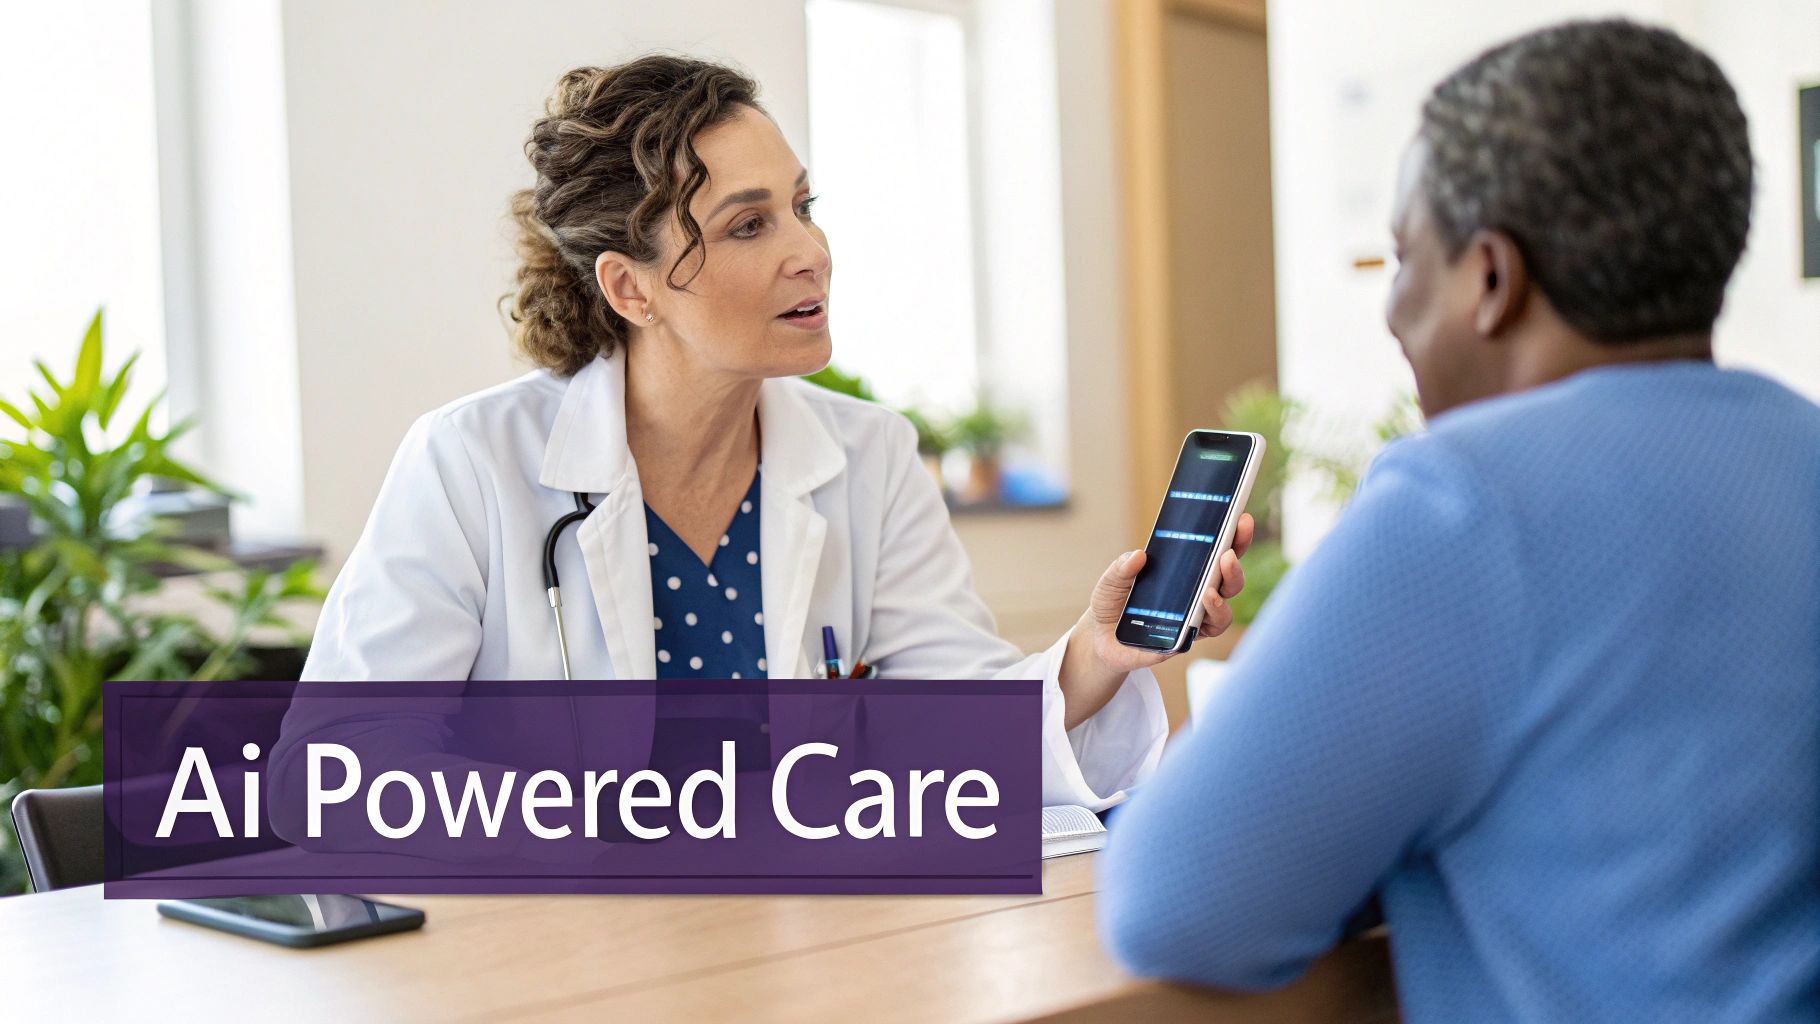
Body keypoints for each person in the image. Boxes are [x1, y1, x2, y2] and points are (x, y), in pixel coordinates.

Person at [1099, 19, 1819, 1021]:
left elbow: (1170, 903)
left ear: (1488, 278)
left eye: (1402, 260)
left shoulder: (1465, 502)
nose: (1393, 313)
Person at [299, 55, 1254, 809]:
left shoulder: (870, 457)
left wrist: (1100, 649)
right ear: (631, 287)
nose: (812, 253)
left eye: (802, 207)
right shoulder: (470, 464)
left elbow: (956, 732)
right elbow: (339, 767)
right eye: (749, 226)